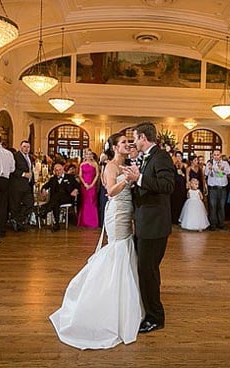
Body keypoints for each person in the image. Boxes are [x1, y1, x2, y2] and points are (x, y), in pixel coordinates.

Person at [50, 133, 142, 349]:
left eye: (129, 142)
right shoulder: (110, 166)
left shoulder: (128, 164)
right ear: (114, 147)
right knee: (117, 248)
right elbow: (110, 191)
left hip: (127, 210)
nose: (127, 145)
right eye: (123, 143)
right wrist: (128, 180)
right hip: (117, 211)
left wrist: (134, 179)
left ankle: (125, 301)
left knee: (125, 248)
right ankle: (103, 295)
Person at [123, 121, 175, 334]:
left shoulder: (161, 156)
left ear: (143, 138)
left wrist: (139, 178)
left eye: (135, 138)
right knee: (146, 271)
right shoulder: (148, 158)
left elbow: (167, 186)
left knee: (148, 271)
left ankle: (155, 317)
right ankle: (149, 311)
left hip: (154, 226)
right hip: (145, 223)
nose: (134, 142)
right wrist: (136, 182)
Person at [40, 163, 80, 232]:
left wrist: (75, 190)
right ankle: (57, 224)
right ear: (54, 171)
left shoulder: (70, 177)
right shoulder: (52, 179)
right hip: (56, 200)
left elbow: (78, 185)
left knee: (56, 198)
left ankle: (45, 210)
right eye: (56, 170)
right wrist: (43, 189)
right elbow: (45, 186)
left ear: (63, 170)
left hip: (67, 198)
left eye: (60, 170)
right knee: (56, 202)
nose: (58, 172)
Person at [9, 140, 35, 232]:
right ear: (20, 147)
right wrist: (23, 174)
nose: (26, 149)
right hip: (17, 184)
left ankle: (17, 220)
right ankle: (17, 223)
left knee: (30, 203)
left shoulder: (30, 157)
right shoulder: (15, 156)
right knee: (15, 205)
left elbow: (31, 170)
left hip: (27, 185)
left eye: (28, 147)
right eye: (24, 146)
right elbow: (12, 170)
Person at [204, 150, 230, 230]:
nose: (216, 156)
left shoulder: (225, 163)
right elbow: (205, 173)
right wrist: (209, 168)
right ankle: (213, 224)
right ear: (212, 156)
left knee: (221, 206)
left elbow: (229, 172)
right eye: (214, 155)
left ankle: (221, 224)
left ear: (220, 155)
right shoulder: (209, 163)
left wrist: (222, 169)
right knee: (212, 206)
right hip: (213, 188)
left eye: (217, 155)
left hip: (222, 188)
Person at [77, 150, 100, 228]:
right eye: (87, 154)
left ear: (92, 155)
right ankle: (84, 222)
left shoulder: (95, 164)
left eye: (90, 154)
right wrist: (84, 184)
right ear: (85, 155)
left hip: (92, 185)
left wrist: (92, 184)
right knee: (85, 202)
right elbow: (80, 175)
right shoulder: (82, 164)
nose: (89, 156)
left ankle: (93, 222)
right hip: (84, 185)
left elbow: (97, 175)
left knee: (92, 202)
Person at [170, 151, 187, 224]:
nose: (178, 158)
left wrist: (183, 174)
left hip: (182, 185)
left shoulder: (185, 165)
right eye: (177, 156)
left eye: (180, 156)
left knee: (181, 201)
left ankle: (180, 218)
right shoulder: (173, 165)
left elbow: (187, 176)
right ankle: (173, 219)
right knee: (174, 202)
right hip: (174, 185)